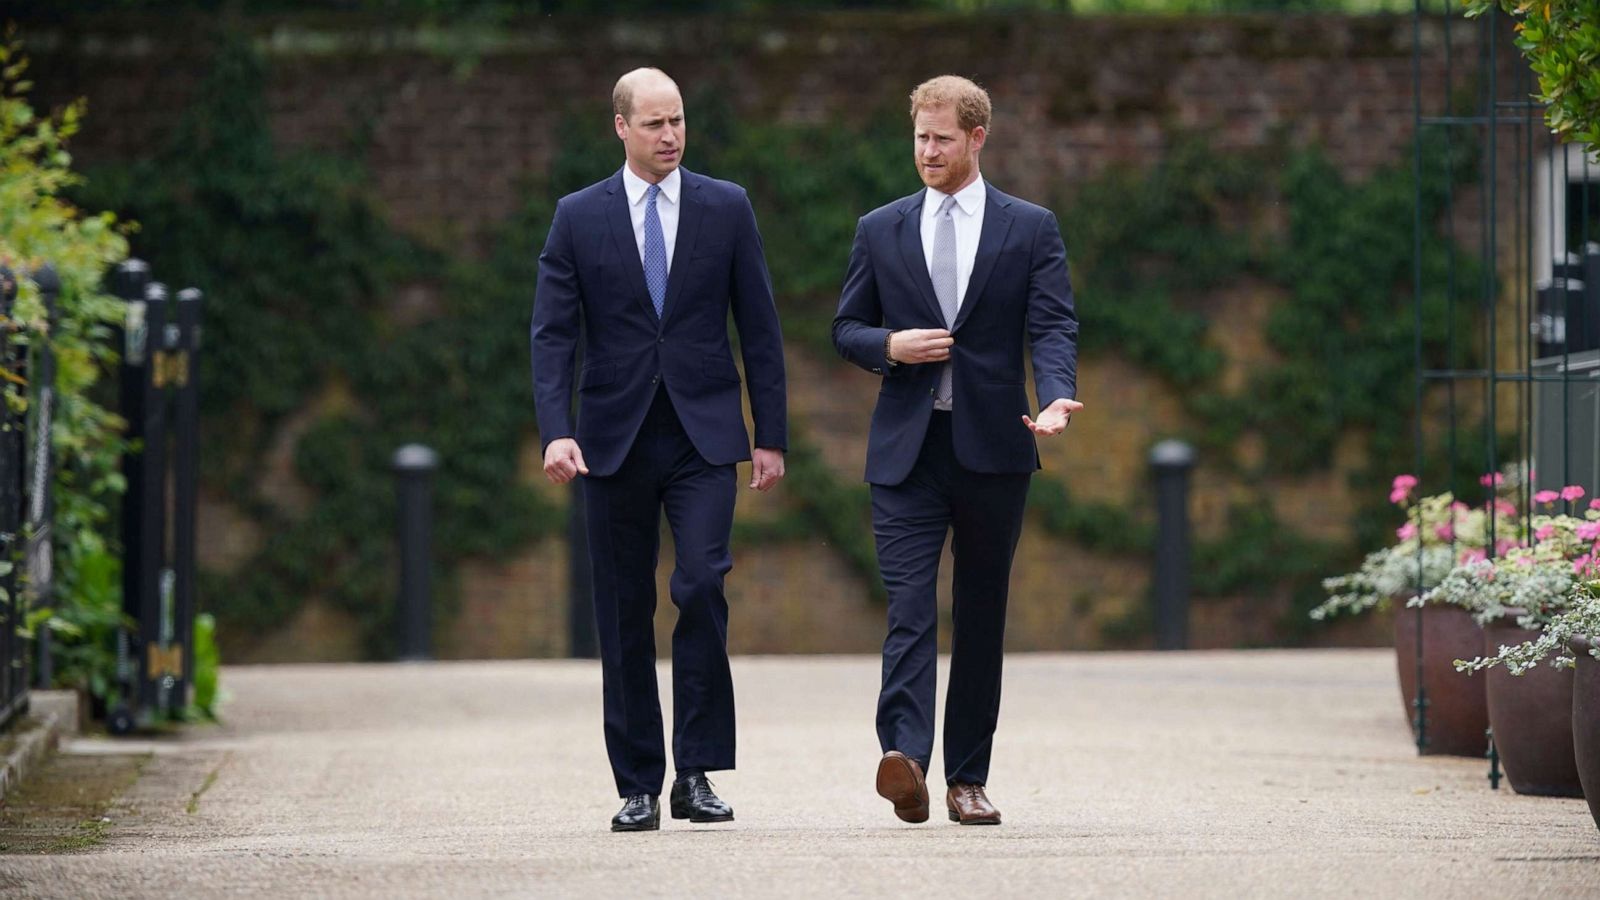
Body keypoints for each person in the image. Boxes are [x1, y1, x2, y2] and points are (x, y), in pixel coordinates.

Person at [530, 67, 788, 833]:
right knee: (621, 609)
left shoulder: (726, 206)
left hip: (704, 434)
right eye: (654, 124)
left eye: (677, 121)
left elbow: (761, 326)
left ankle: (698, 772)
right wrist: (556, 428)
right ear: (620, 127)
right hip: (611, 438)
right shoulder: (577, 217)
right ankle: (639, 782)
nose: (670, 136)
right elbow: (552, 334)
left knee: (703, 585)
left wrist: (769, 434)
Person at [832, 74, 1082, 827]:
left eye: (942, 138)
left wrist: (1058, 394)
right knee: (909, 608)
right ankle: (905, 760)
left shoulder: (1029, 227)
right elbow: (846, 328)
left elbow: (1052, 324)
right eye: (920, 138)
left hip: (994, 448)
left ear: (977, 138)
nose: (928, 151)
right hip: (906, 451)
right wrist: (890, 345)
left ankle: (967, 778)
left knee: (980, 614)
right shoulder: (880, 228)